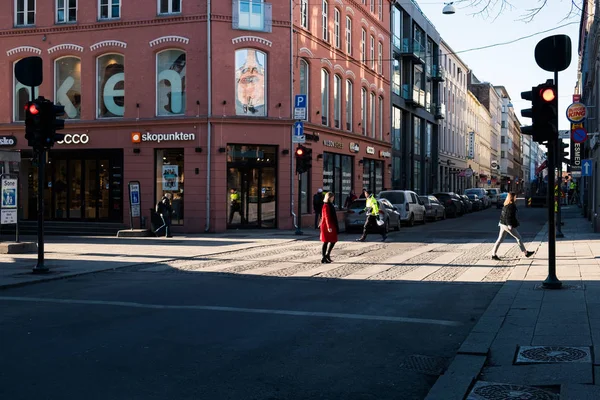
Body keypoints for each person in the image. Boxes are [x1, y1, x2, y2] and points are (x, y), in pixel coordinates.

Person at [491, 192, 534, 260]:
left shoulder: (506, 204)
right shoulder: (511, 206)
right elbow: (508, 216)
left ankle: (493, 254)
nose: (516, 198)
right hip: (507, 225)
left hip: (502, 224)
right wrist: (509, 225)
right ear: (512, 198)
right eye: (515, 197)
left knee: (500, 239)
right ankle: (526, 253)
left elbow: (503, 215)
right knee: (518, 238)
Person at [320, 192, 339, 263]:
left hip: (332, 224)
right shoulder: (326, 206)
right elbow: (326, 217)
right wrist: (329, 227)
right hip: (327, 225)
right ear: (329, 198)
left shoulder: (330, 205)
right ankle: (323, 257)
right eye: (332, 197)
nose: (333, 199)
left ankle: (327, 254)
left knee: (333, 240)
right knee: (326, 241)